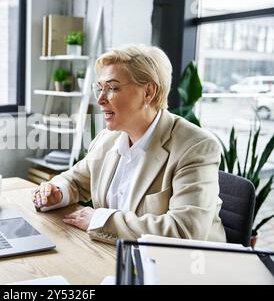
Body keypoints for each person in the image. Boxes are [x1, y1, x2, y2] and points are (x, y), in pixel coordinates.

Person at [31, 44, 226, 244]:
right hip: (115, 255)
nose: (100, 100)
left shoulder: (195, 147)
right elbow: (75, 181)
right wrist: (57, 192)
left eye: (112, 88)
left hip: (181, 268)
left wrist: (100, 220)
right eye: (100, 88)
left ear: (148, 92)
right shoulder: (107, 139)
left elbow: (184, 230)